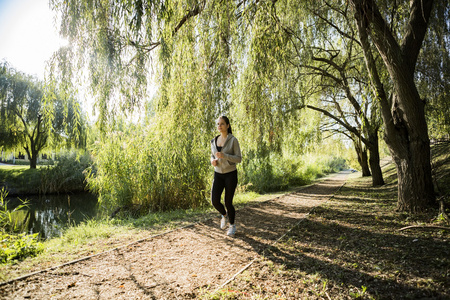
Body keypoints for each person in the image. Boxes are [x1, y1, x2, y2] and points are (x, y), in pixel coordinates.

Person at [210, 116, 242, 236]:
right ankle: (224, 215)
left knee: (228, 202)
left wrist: (225, 156)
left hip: (230, 174)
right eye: (218, 124)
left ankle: (232, 226)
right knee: (214, 201)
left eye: (222, 124)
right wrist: (212, 161)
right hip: (218, 174)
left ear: (228, 125)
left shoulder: (233, 140)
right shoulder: (213, 141)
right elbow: (212, 155)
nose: (219, 126)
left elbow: (239, 158)